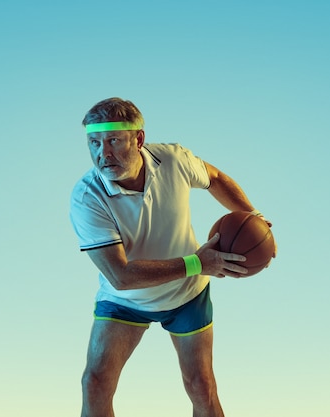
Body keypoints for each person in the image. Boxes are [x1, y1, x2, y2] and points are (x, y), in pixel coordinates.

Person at [70, 97, 274, 417]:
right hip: (125, 301)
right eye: (94, 142)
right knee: (95, 382)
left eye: (113, 141)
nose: (103, 153)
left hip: (186, 296)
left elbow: (216, 178)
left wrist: (253, 218)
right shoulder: (87, 197)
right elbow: (120, 277)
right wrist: (197, 263)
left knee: (201, 386)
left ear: (138, 139)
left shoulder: (173, 160)